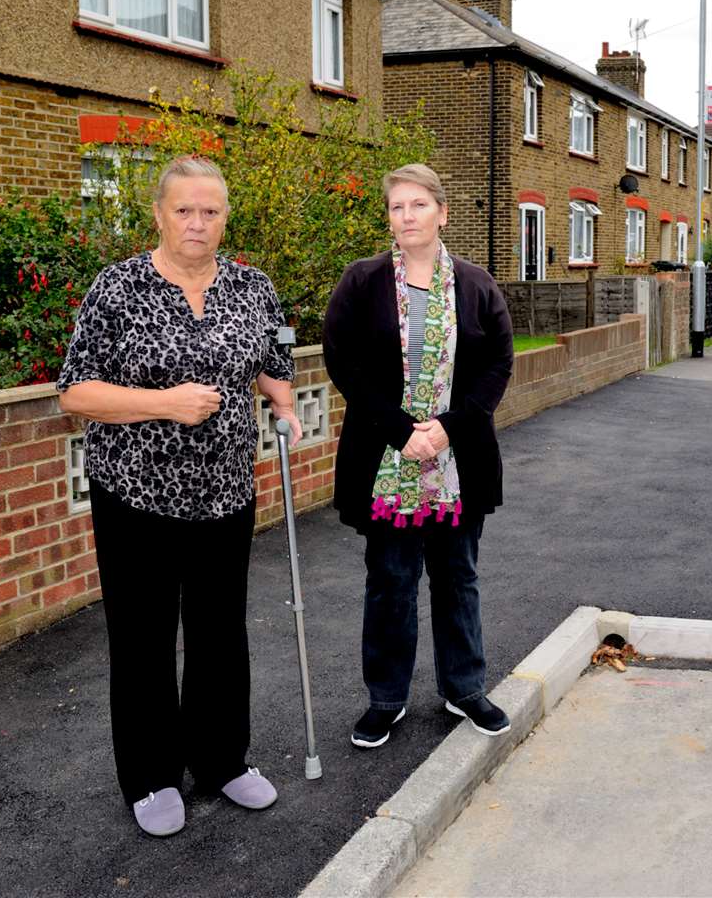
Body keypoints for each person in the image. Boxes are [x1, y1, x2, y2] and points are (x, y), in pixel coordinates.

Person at [57, 155, 297, 838]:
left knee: (221, 633)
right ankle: (152, 775)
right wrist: (162, 402)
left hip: (225, 492)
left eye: (210, 211)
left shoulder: (253, 288)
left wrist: (282, 404)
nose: (197, 222)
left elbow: (273, 364)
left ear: (225, 218)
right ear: (159, 214)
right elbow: (75, 392)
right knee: (143, 638)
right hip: (134, 495)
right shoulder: (118, 287)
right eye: (184, 210)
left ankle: (222, 760)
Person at [323, 163, 515, 750]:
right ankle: (385, 699)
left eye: (418, 205)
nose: (407, 217)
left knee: (458, 577)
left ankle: (465, 687)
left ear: (442, 212)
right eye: (397, 207)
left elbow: (496, 365)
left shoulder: (478, 286)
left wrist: (448, 429)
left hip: (456, 460)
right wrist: (402, 430)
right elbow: (343, 360)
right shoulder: (363, 282)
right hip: (388, 456)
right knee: (390, 581)